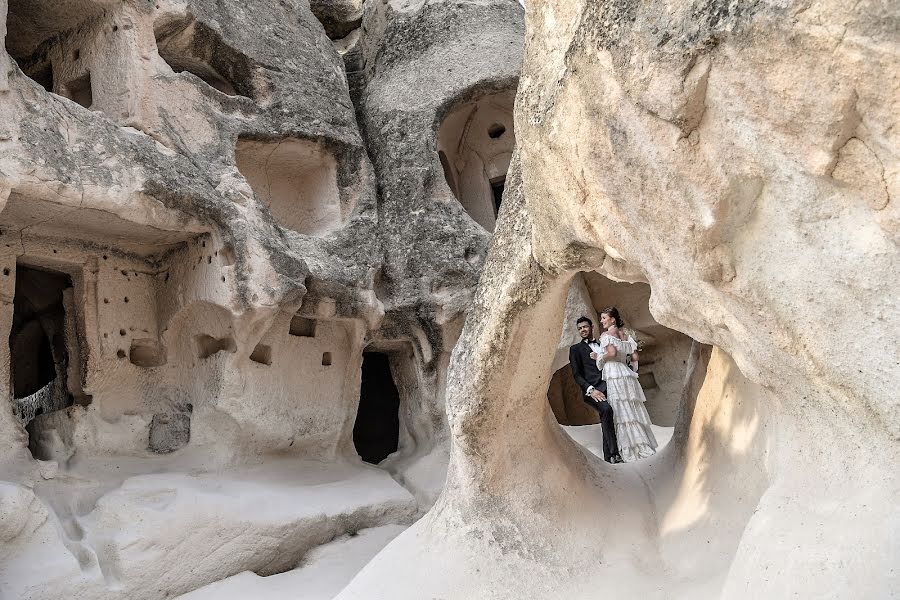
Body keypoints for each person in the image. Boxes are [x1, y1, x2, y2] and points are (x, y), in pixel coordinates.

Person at [591, 307, 657, 462]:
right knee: (631, 409)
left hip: (615, 373)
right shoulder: (626, 335)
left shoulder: (607, 335)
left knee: (620, 410)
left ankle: (628, 448)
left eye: (604, 318)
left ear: (612, 319)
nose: (601, 321)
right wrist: (632, 370)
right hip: (626, 375)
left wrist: (600, 357)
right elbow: (635, 356)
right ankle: (642, 444)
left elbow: (612, 353)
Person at [569, 316, 623, 464]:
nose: (582, 330)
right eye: (580, 328)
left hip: (610, 386)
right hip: (592, 390)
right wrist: (591, 390)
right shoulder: (575, 349)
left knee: (609, 416)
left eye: (585, 327)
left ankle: (609, 457)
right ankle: (614, 453)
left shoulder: (603, 344)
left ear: (592, 327)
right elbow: (577, 374)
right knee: (606, 410)